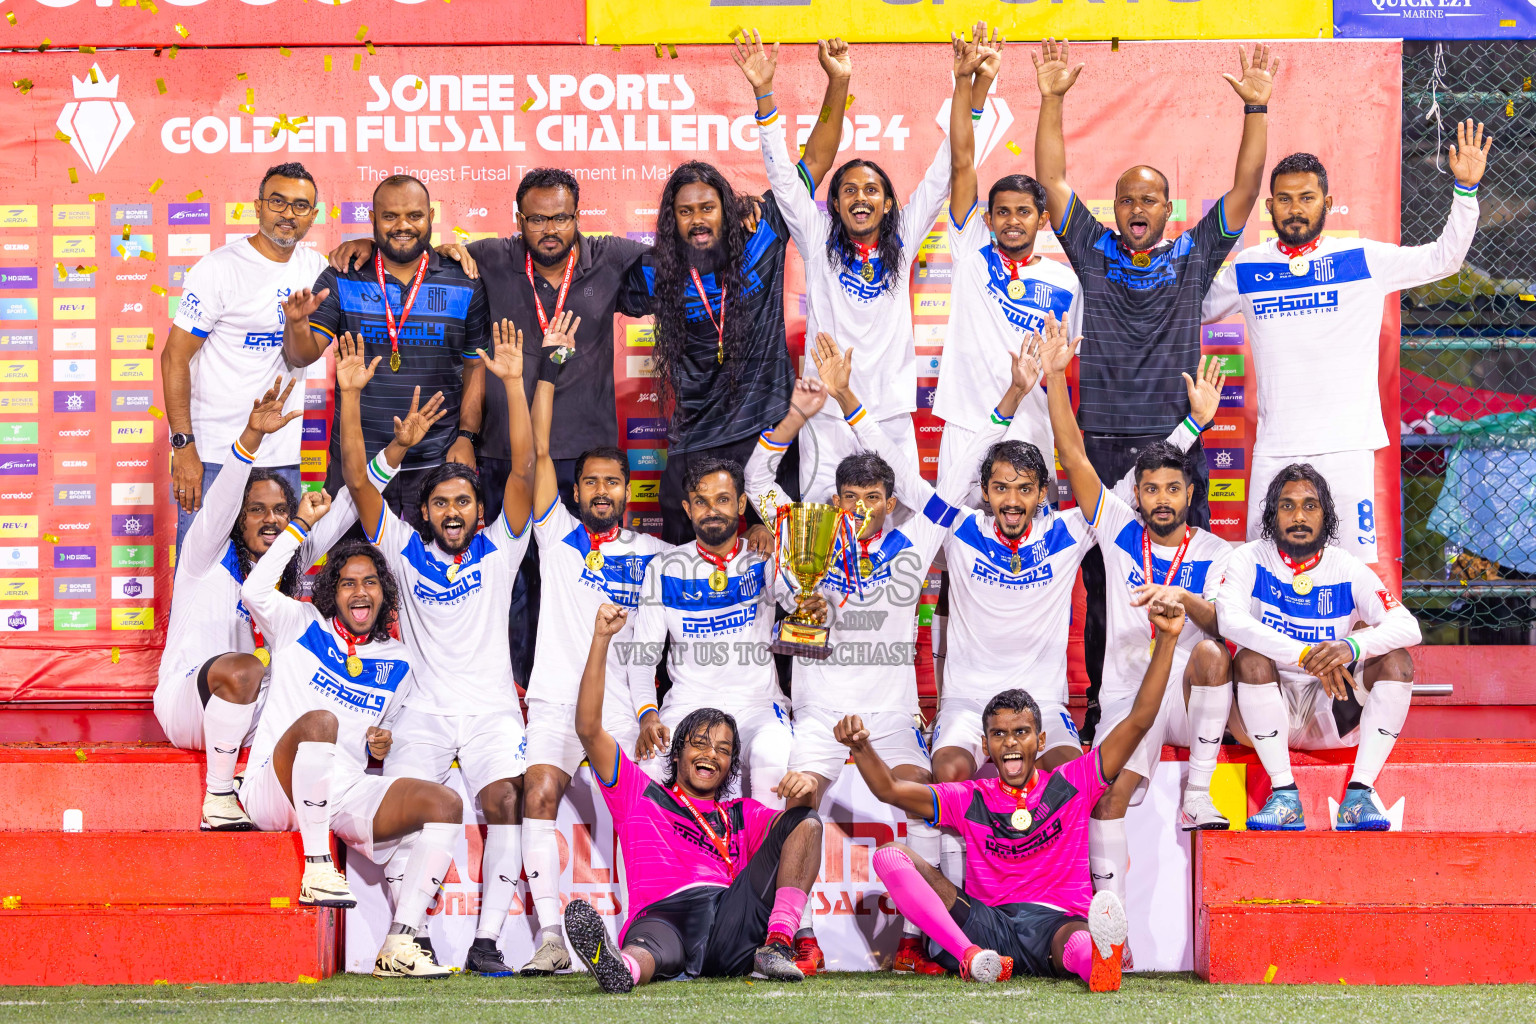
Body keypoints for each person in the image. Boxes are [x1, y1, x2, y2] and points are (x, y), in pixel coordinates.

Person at [1032, 38, 1276, 743]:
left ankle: (1190, 706)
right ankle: (1105, 715)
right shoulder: (1094, 247)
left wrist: (1256, 106)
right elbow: (1052, 181)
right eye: (1129, 198)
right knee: (1103, 589)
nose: (1139, 207)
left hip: (1175, 443)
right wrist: (1053, 98)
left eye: (1152, 198)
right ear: (1117, 209)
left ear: (1170, 210)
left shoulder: (1194, 253)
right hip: (1102, 443)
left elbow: (1246, 190)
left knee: (1182, 587)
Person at [838, 595, 1189, 991]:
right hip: (988, 925)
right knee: (890, 855)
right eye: (999, 734)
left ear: (1040, 741)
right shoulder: (970, 797)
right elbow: (888, 789)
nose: (1010, 743)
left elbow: (1141, 719)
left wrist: (1167, 639)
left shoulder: (1074, 781)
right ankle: (970, 957)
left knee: (1075, 943)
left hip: (1057, 921)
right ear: (985, 747)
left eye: (1021, 733)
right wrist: (861, 748)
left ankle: (1098, 960)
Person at [743, 334, 953, 976]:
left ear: (891, 505)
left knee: (924, 796)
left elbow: (921, 482)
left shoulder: (916, 541)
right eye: (849, 500)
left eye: (872, 500)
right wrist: (802, 414)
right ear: (834, 502)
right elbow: (756, 478)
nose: (859, 510)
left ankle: (927, 938)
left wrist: (848, 399)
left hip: (889, 717)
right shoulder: (803, 536)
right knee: (794, 803)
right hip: (817, 714)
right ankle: (791, 936)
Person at [334, 324, 535, 975]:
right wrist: (357, 406)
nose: (452, 510)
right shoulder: (402, 545)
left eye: (463, 501)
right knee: (401, 820)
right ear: (425, 513)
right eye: (441, 501)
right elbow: (358, 484)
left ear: (480, 512)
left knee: (509, 801)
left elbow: (527, 470)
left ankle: (487, 941)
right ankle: (406, 934)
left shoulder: (501, 547)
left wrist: (511, 382)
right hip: (420, 711)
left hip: (490, 713)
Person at [1201, 123, 1491, 562]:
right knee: (1260, 570)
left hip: (1346, 446)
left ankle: (1344, 637)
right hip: (1275, 447)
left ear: (1328, 204)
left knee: (1350, 574)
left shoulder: (1363, 259)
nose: (1294, 209)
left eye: (1306, 198)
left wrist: (1466, 190)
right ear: (1270, 206)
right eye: (1284, 199)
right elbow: (1192, 310)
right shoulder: (1248, 266)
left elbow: (1444, 258)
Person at [734, 28, 993, 504]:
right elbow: (783, 181)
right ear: (833, 203)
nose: (860, 197)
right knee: (823, 533)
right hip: (826, 416)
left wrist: (970, 90)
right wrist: (764, 94)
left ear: (890, 202)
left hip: (890, 418)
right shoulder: (816, 241)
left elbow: (946, 170)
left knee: (903, 536)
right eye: (848, 189)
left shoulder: (903, 239)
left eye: (872, 189)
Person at [1040, 323, 1232, 963]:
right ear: (1138, 494)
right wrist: (1053, 378)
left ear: (1189, 495)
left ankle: (1199, 795)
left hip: (1190, 694)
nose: (1160, 499)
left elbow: (1233, 628)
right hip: (1129, 694)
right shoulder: (1117, 528)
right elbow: (1071, 452)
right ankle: (1106, 934)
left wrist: (1187, 604)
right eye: (1150, 488)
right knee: (1110, 794)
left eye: (1173, 488)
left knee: (1208, 652)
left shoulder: (1216, 552)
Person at [238, 495, 464, 979]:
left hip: (341, 792)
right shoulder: (298, 624)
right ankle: (318, 867)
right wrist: (299, 525)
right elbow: (255, 590)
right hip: (273, 788)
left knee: (444, 804)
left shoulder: (399, 660)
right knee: (321, 722)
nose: (360, 592)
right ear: (330, 592)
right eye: (347, 583)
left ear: (384, 593)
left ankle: (401, 943)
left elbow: (380, 737)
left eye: (370, 582)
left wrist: (379, 745)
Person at [516, 311, 674, 977]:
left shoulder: (654, 556)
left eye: (615, 482)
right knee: (539, 792)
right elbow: (536, 455)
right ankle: (551, 936)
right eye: (593, 484)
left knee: (641, 814)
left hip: (617, 713)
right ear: (578, 493)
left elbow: (644, 650)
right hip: (554, 701)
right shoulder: (555, 536)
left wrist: (645, 715)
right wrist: (547, 371)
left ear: (628, 492)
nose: (604, 492)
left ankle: (644, 932)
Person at [562, 604, 823, 992]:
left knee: (807, 821)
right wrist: (602, 639)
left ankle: (777, 945)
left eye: (722, 749)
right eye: (699, 743)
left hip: (728, 919)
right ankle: (623, 969)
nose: (710, 755)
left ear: (731, 763)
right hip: (663, 911)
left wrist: (807, 789)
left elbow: (798, 833)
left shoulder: (740, 814)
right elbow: (587, 727)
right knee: (650, 949)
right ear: (678, 751)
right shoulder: (639, 794)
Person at [154, 378, 356, 831]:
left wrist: (396, 450)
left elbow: (349, 506)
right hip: (190, 704)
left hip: (254, 713)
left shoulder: (287, 557)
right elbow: (223, 494)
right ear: (238, 519)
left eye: (281, 511)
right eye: (258, 510)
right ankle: (219, 799)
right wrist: (252, 437)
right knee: (245, 667)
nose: (272, 520)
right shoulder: (205, 556)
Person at [1217, 465, 1422, 831]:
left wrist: (1350, 647)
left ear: (1325, 515)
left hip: (1328, 710)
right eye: (1287, 506)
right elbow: (1229, 620)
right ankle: (1284, 796)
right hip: (1261, 705)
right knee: (1248, 658)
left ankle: (1359, 795)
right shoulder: (1248, 558)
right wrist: (1303, 654)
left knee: (1397, 661)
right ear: (1271, 515)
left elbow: (1408, 626)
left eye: (1310, 506)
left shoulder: (1347, 568)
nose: (1299, 516)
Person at [281, 174, 488, 517]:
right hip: (357, 462)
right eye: (390, 216)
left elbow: (475, 366)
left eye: (414, 216)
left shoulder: (463, 279)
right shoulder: (342, 275)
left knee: (432, 570)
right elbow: (300, 355)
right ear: (373, 220)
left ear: (431, 218)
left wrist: (467, 436)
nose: (403, 226)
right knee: (352, 569)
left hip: (437, 463)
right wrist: (297, 324)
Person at [617, 162, 795, 544]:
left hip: (767, 431)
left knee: (786, 560)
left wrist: (832, 98)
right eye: (685, 212)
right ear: (672, 220)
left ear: (726, 210)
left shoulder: (762, 234)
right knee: (681, 560)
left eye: (707, 208)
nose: (697, 219)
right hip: (696, 437)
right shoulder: (656, 271)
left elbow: (812, 163)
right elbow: (590, 275)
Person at [163, 162, 326, 552]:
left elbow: (302, 356)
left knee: (272, 583)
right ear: (258, 207)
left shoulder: (317, 268)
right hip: (216, 452)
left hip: (281, 456)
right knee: (199, 581)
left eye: (300, 206)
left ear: (313, 216)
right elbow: (174, 358)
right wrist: (184, 448)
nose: (288, 214)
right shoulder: (219, 268)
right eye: (278, 202)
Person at [626, 454, 804, 805]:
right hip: (688, 705)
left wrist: (774, 542)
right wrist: (647, 716)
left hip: (758, 705)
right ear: (687, 509)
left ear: (740, 504)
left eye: (723, 500)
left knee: (772, 759)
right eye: (701, 502)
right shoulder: (665, 568)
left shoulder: (764, 558)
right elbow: (643, 658)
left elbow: (801, 602)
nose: (712, 510)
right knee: (647, 771)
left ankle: (760, 859)